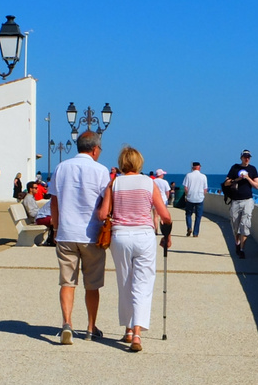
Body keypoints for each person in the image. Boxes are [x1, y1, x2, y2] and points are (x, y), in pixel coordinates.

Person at [95, 145, 173, 352]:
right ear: (139, 163)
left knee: (125, 283)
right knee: (143, 285)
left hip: (120, 237)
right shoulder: (150, 183)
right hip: (144, 237)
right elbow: (165, 216)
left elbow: (103, 215)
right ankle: (137, 334)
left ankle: (128, 329)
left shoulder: (115, 183)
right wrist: (167, 236)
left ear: (122, 163)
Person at [48, 130, 111, 345]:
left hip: (66, 233)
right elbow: (106, 203)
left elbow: (54, 202)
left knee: (67, 282)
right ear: (94, 149)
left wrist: (56, 229)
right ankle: (91, 328)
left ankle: (67, 323)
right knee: (92, 284)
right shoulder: (101, 171)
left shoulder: (61, 167)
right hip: (92, 235)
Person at [223, 149, 258, 258]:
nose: (247, 158)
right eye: (245, 156)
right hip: (235, 201)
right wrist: (238, 179)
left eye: (248, 157)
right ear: (241, 158)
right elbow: (226, 183)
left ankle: (242, 249)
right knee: (235, 226)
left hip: (247, 200)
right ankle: (237, 243)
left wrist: (248, 178)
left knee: (245, 225)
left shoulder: (252, 169)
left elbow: (257, 186)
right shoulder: (235, 168)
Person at [181, 161, 207, 237]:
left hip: (190, 198)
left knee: (188, 214)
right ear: (199, 167)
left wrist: (187, 195)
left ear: (193, 167)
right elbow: (205, 189)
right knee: (198, 216)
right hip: (200, 198)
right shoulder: (203, 176)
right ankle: (195, 233)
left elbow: (185, 187)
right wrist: (203, 196)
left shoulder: (188, 175)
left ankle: (189, 227)